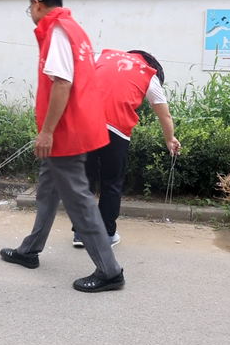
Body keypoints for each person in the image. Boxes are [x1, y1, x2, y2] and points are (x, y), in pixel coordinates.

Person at [0, 0, 125, 293]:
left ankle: (109, 271)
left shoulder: (55, 29)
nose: (30, 13)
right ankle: (30, 251)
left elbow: (62, 84)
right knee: (47, 190)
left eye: (29, 7)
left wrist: (47, 132)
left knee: (78, 201)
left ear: (38, 4)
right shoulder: (75, 29)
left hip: (65, 132)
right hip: (75, 126)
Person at [71, 49, 181, 247]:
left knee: (84, 179)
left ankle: (81, 233)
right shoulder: (148, 73)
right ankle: (106, 234)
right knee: (111, 182)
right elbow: (165, 116)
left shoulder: (102, 56)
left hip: (85, 122)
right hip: (116, 128)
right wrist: (170, 139)